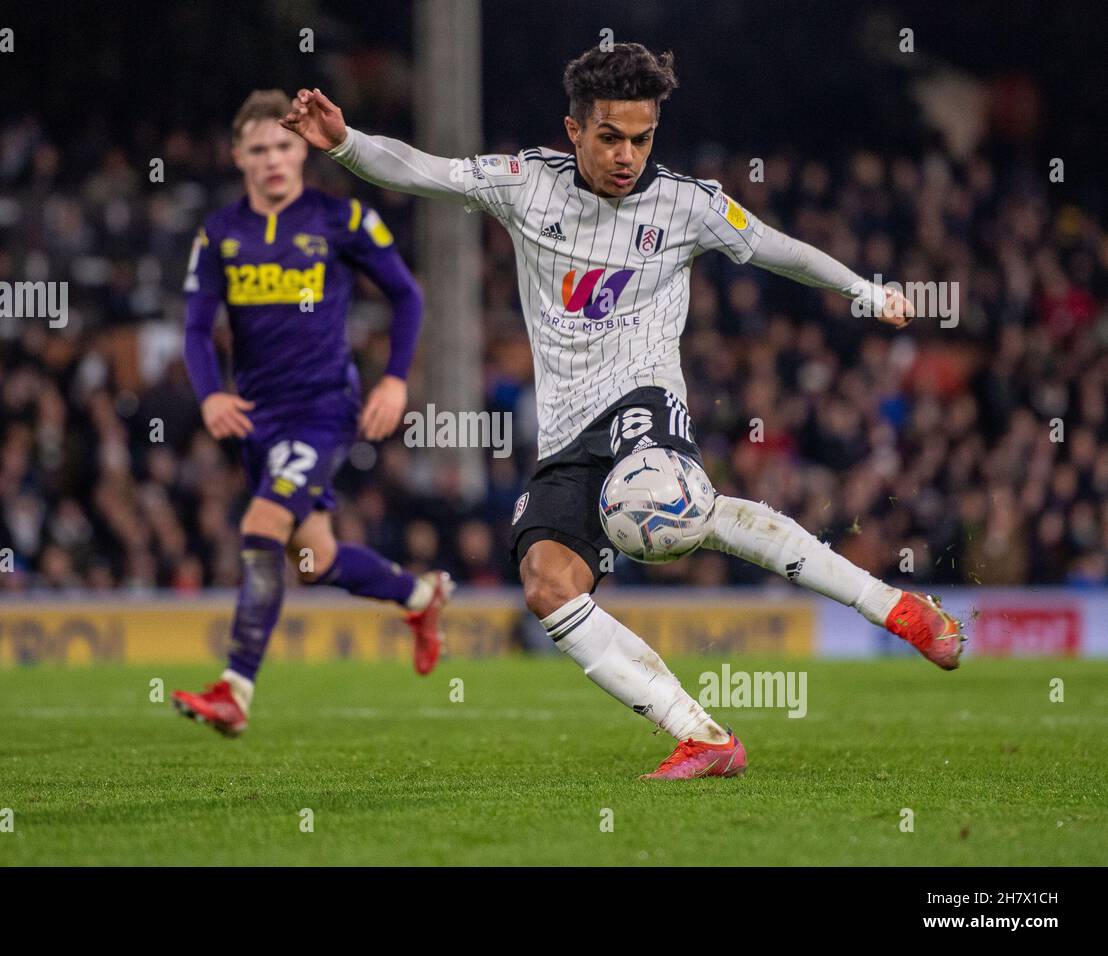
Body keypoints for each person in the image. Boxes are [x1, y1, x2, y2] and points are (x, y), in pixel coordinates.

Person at [279, 44, 965, 779]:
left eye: (642, 138)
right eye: (610, 137)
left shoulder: (688, 203)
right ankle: (703, 735)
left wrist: (866, 291)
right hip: (567, 431)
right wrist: (345, 144)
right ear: (573, 131)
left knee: (658, 513)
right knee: (547, 584)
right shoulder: (525, 183)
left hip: (645, 399)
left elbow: (779, 251)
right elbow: (426, 171)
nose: (627, 155)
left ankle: (890, 610)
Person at [171, 90, 452, 738]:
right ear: (239, 156)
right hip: (256, 419)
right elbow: (193, 328)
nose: (273, 159)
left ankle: (235, 689)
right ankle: (420, 596)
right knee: (314, 561)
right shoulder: (219, 233)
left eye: (284, 146)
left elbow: (408, 296)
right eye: (260, 148)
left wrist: (396, 382)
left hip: (323, 410)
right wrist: (211, 392)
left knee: (262, 529)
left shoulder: (342, 219)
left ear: (304, 149)